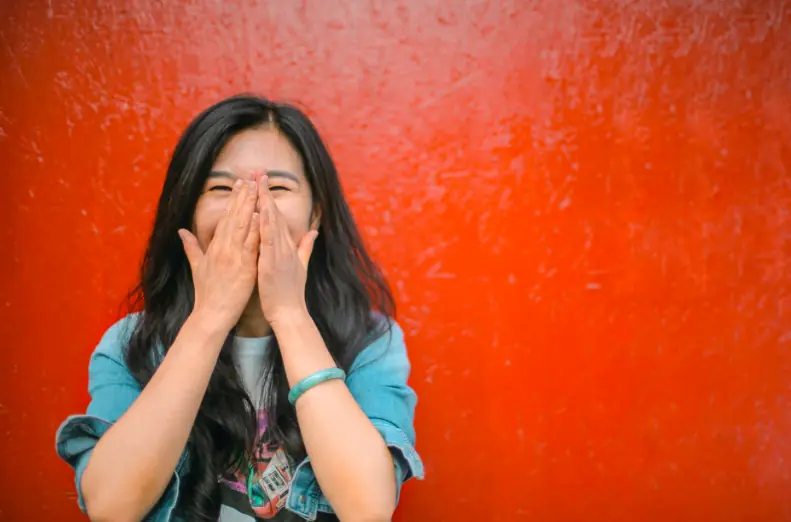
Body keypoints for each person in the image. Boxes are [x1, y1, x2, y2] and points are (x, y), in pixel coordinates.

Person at [55, 95, 424, 522]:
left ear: (315, 215)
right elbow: (111, 507)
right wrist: (210, 318)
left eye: (278, 188)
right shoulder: (131, 344)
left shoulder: (370, 343)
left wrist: (289, 314)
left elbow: (369, 508)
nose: (250, 207)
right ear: (189, 213)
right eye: (221, 188)